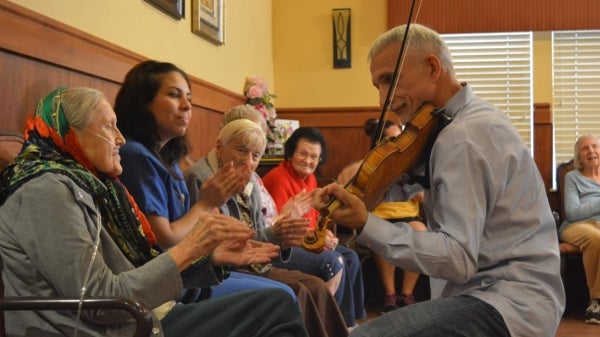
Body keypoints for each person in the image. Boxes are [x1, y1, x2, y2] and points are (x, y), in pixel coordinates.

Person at [313, 23, 565, 337]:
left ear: (433, 67)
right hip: (493, 294)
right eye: (378, 85)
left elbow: (458, 258)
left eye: (389, 80)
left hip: (506, 300)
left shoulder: (462, 137)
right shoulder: (459, 125)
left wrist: (366, 223)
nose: (383, 100)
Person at [0, 87, 308, 337]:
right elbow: (100, 300)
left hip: (138, 317)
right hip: (113, 326)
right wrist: (190, 249)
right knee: (277, 305)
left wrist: (207, 257)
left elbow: (130, 273)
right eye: (109, 127)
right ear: (70, 132)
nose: (120, 138)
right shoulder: (45, 191)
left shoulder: (89, 185)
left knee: (278, 305)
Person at [114, 60, 297, 302]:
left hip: (190, 269)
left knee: (289, 292)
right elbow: (164, 239)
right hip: (168, 285)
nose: (187, 105)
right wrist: (206, 204)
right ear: (143, 102)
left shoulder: (167, 160)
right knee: (281, 297)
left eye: (189, 97)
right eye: (173, 95)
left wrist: (219, 249)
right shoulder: (136, 156)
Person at [185, 115, 349, 337]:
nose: (248, 162)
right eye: (241, 151)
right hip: (227, 265)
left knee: (317, 286)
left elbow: (260, 226)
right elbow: (220, 241)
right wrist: (276, 234)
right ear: (220, 147)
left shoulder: (250, 178)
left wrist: (284, 236)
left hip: (256, 259)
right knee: (298, 289)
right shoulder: (202, 178)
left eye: (255, 156)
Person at [262, 127, 366, 329]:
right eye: (303, 154)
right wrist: (318, 238)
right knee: (336, 260)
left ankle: (348, 322)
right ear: (291, 153)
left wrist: (324, 234)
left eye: (314, 157)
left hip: (305, 238)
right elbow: (284, 227)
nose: (308, 160)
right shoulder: (279, 178)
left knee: (351, 258)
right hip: (285, 242)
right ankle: (328, 325)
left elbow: (315, 217)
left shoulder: (310, 179)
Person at [337, 118, 427, 313]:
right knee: (383, 237)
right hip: (378, 217)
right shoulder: (363, 167)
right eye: (394, 139)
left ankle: (407, 294)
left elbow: (421, 197)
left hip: (408, 216)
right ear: (380, 143)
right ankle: (390, 295)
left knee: (421, 235)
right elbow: (344, 187)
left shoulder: (407, 165)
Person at [559, 134, 600, 324]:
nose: (591, 151)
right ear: (579, 156)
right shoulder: (572, 177)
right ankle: (596, 303)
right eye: (585, 148)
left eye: (595, 146)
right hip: (577, 226)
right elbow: (573, 212)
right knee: (595, 237)